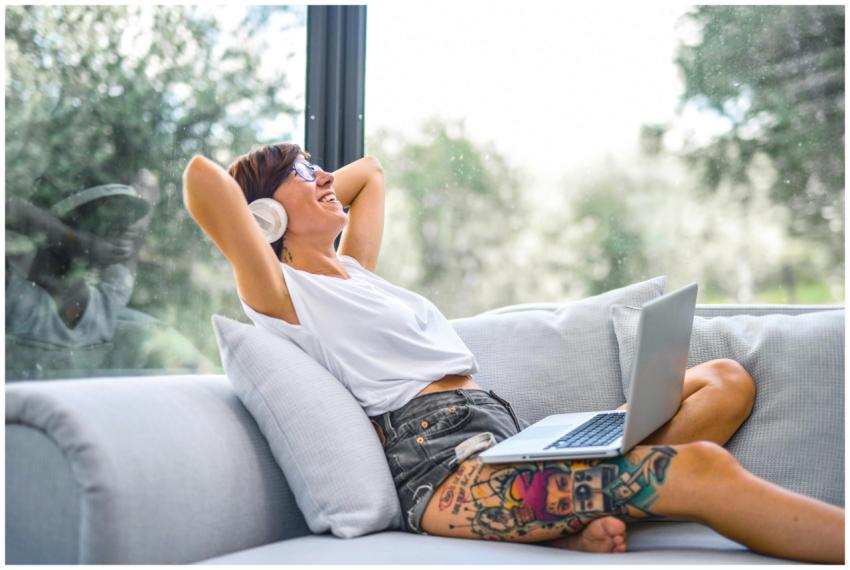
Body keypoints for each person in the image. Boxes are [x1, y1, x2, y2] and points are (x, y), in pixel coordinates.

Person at [182, 143, 844, 563]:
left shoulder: (354, 274)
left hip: (506, 441)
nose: (326, 175)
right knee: (699, 467)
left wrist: (305, 183)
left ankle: (578, 520)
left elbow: (371, 175)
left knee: (723, 380)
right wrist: (264, 207)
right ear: (265, 215)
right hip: (443, 472)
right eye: (303, 172)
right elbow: (201, 179)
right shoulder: (282, 293)